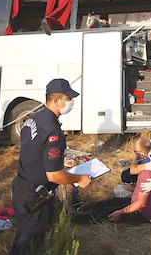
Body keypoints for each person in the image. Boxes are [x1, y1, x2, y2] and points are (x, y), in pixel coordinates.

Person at [10, 78, 92, 255]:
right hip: (35, 199)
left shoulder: (33, 118)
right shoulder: (53, 131)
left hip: (21, 188)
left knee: (25, 239)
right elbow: (53, 175)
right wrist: (79, 179)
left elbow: (35, 152)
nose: (70, 102)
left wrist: (64, 170)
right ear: (56, 100)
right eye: (68, 98)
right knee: (28, 245)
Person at [72, 138, 151, 225]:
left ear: (142, 154)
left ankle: (74, 218)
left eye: (135, 152)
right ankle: (81, 206)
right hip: (140, 202)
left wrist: (120, 213)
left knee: (105, 212)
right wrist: (135, 189)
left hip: (143, 214)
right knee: (113, 201)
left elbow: (141, 203)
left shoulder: (146, 174)